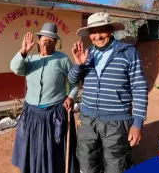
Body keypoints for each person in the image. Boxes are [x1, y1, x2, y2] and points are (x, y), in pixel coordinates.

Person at [68, 12, 148, 173]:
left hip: (116, 123)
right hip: (88, 121)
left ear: (111, 30)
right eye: (92, 32)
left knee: (116, 165)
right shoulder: (87, 54)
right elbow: (72, 80)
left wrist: (137, 123)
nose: (97, 36)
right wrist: (78, 65)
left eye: (101, 30)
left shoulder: (128, 52)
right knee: (87, 163)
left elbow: (139, 88)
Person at [11, 22, 80, 173]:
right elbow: (15, 68)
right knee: (33, 147)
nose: (47, 42)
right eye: (44, 39)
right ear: (38, 41)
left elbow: (75, 83)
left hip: (55, 114)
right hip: (32, 114)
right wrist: (23, 51)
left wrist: (71, 97)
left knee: (54, 149)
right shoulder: (30, 60)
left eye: (51, 40)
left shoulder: (62, 59)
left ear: (56, 43)